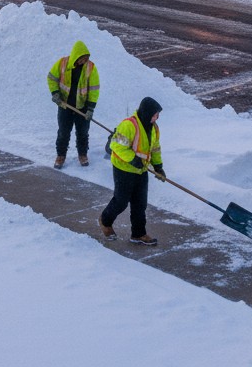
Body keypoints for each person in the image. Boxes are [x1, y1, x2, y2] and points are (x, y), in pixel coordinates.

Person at [99, 97, 165, 246]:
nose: (156, 118)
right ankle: (105, 220)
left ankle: (138, 234)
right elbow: (116, 146)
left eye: (157, 115)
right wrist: (133, 159)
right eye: (154, 114)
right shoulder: (129, 125)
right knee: (121, 201)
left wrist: (158, 166)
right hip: (124, 169)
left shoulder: (154, 128)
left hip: (141, 170)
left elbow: (155, 148)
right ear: (146, 113)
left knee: (140, 204)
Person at [47, 39, 99, 168]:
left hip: (82, 107)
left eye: (86, 58)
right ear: (76, 56)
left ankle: (82, 154)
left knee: (82, 132)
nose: (84, 61)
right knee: (63, 132)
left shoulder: (91, 68)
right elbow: (51, 78)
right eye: (82, 59)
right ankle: (60, 156)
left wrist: (90, 109)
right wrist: (55, 93)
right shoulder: (62, 63)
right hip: (65, 105)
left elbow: (94, 89)